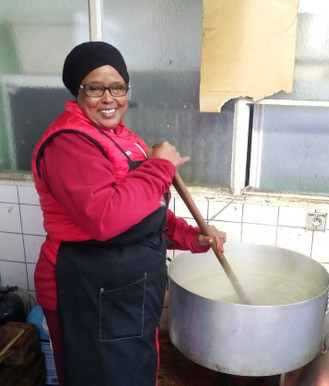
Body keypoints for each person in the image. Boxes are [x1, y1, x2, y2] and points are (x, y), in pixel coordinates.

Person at [31, 41, 226, 386]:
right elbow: (106, 218)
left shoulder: (126, 139)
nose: (109, 98)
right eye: (95, 87)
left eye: (118, 87)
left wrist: (187, 235)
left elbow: (145, 209)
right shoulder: (68, 143)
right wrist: (159, 167)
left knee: (133, 371)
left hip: (127, 287)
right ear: (77, 91)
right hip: (87, 289)